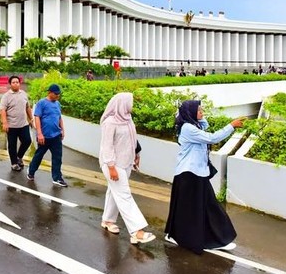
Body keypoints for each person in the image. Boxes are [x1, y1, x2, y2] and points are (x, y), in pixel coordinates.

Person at [164, 100, 245, 254]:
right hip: (189, 174)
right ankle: (183, 236)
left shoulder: (193, 125)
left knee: (205, 207)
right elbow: (212, 138)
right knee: (191, 209)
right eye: (199, 110)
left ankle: (218, 238)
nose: (202, 112)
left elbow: (205, 126)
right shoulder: (188, 128)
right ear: (190, 113)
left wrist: (199, 116)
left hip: (196, 172)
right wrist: (231, 126)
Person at [98, 93, 155, 244]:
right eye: (130, 102)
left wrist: (136, 154)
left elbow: (132, 138)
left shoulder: (127, 118)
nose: (132, 105)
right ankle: (137, 231)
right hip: (113, 164)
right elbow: (107, 146)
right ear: (122, 103)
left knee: (114, 192)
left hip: (126, 162)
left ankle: (107, 221)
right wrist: (111, 167)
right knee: (124, 195)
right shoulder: (110, 122)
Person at [28, 84, 68, 187]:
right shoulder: (42, 103)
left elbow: (59, 117)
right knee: (39, 156)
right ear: (49, 92)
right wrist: (40, 134)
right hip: (44, 137)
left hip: (56, 136)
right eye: (56, 94)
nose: (57, 96)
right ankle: (31, 171)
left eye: (59, 94)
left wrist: (62, 130)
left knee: (57, 157)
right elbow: (37, 118)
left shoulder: (57, 104)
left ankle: (57, 177)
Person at [0, 75, 33, 172]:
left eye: (17, 82)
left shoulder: (23, 94)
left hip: (23, 124)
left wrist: (31, 119)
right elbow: (2, 110)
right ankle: (14, 163)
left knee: (27, 141)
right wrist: (5, 123)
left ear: (20, 83)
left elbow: (27, 107)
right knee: (12, 145)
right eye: (13, 82)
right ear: (10, 84)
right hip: (11, 126)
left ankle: (19, 157)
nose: (15, 84)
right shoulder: (6, 96)